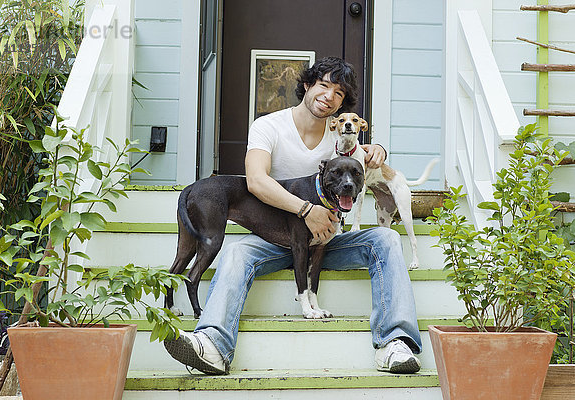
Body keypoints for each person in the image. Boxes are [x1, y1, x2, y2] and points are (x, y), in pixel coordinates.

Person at [163, 56, 422, 375]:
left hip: (326, 240)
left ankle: (395, 343)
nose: (329, 96)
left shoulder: (340, 136)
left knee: (386, 239)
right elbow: (256, 180)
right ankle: (213, 344)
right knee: (234, 254)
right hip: (273, 239)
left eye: (339, 93)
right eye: (324, 85)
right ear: (307, 85)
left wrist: (377, 148)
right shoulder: (268, 126)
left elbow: (364, 158)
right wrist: (305, 210)